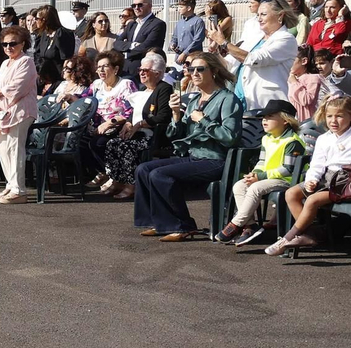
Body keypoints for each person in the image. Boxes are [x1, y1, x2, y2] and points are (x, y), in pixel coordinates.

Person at [132, 52, 242, 241]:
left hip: (216, 159)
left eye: (200, 69)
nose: (194, 73)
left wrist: (204, 120)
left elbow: (230, 137)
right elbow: (175, 135)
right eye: (191, 69)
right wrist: (175, 115)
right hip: (193, 157)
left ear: (214, 71)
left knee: (160, 175)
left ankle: (182, 226)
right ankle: (156, 222)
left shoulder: (227, 99)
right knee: (143, 169)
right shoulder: (193, 101)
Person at [266, 96, 351, 255]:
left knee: (312, 200)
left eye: (339, 116)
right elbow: (317, 164)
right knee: (291, 193)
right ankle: (311, 234)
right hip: (328, 178)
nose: (334, 120)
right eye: (330, 116)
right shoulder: (324, 139)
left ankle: (288, 238)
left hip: (346, 181)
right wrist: (311, 179)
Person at [216, 100, 306, 245]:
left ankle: (236, 224)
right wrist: (255, 173)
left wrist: (260, 177)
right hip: (269, 178)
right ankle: (250, 226)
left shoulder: (292, 141)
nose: (264, 120)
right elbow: (262, 162)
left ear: (285, 120)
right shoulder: (266, 138)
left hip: (288, 181)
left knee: (255, 187)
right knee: (240, 185)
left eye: (270, 116)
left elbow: (288, 170)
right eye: (263, 117)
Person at [99, 51, 175, 198]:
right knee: (113, 143)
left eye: (145, 70)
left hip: (154, 135)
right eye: (140, 70)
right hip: (138, 133)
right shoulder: (142, 89)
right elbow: (134, 112)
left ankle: (131, 184)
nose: (141, 73)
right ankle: (117, 180)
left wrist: (140, 124)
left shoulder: (163, 88)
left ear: (158, 73)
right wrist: (128, 123)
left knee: (127, 146)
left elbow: (163, 117)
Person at [0, 26, 38, 204]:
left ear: (22, 44)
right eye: (5, 44)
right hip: (4, 112)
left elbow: (18, 87)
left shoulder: (26, 61)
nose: (8, 47)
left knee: (14, 148)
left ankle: (19, 190)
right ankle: (11, 184)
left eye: (12, 43)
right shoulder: (5, 63)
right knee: (3, 148)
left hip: (21, 111)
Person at [230, 0, 297, 112]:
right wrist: (214, 49)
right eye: (258, 15)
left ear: (280, 15)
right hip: (242, 100)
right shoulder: (254, 38)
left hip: (267, 104)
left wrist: (223, 42)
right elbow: (228, 62)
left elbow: (255, 59)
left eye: (263, 14)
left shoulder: (287, 39)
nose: (259, 19)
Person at [114, 0, 166, 78]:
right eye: (134, 5)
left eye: (140, 5)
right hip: (125, 70)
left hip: (144, 71)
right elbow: (117, 43)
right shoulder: (132, 24)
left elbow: (147, 47)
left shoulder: (157, 24)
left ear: (150, 6)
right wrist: (132, 45)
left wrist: (125, 53)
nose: (136, 8)